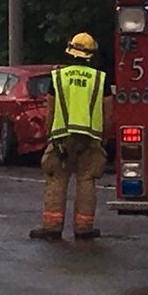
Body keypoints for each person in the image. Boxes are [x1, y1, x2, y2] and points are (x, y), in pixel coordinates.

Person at [30, 32, 112, 241]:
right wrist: (104, 138)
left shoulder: (58, 77)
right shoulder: (100, 79)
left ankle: (52, 227)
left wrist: (49, 134)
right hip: (91, 137)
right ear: (91, 55)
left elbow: (50, 110)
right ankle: (84, 228)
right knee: (86, 179)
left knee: (56, 178)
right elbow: (108, 112)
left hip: (61, 136)